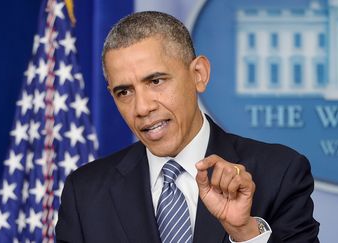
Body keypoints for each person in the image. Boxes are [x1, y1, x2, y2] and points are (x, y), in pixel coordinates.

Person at [55, 11, 320, 243]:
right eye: (124, 91)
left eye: (156, 81)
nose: (142, 107)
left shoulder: (280, 172)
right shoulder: (85, 192)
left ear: (198, 75)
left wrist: (245, 233)